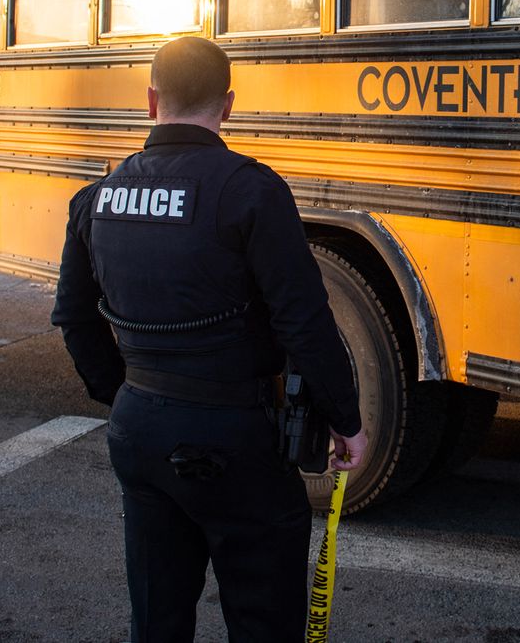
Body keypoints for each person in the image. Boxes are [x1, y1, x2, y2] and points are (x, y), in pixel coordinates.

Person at [51, 36, 367, 643]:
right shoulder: (251, 191)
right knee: (263, 618)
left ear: (150, 100)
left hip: (139, 429)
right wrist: (344, 419)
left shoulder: (96, 198)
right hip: (236, 436)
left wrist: (124, 396)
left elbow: (72, 316)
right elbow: (304, 320)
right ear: (227, 105)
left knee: (158, 617)